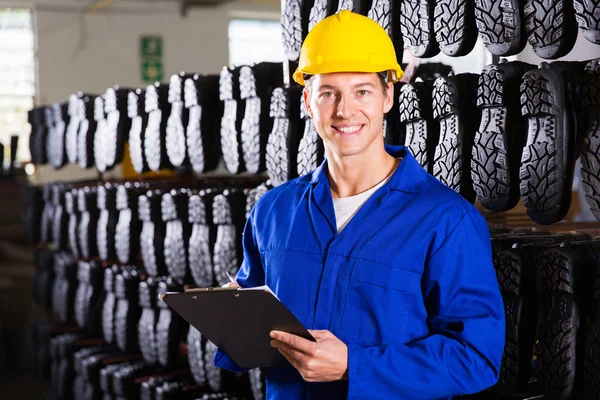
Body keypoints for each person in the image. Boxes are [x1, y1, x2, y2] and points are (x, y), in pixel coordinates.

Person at [214, 10, 505, 400]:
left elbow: (475, 358)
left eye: (362, 91)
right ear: (307, 101)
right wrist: (230, 312)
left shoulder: (447, 220)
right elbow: (255, 325)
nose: (345, 111)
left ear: (388, 96)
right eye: (328, 93)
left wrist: (356, 365)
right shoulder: (273, 212)